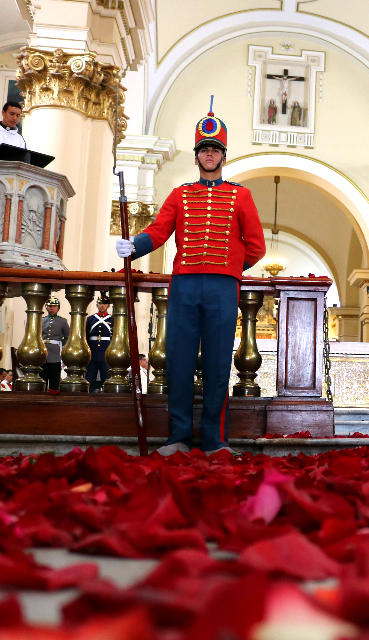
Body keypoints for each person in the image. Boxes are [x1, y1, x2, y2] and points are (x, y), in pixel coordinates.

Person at [116, 108, 266, 454]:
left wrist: (229, 267)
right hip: (183, 286)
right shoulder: (180, 195)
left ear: (223, 156)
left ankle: (215, 440)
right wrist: (133, 246)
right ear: (197, 155)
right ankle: (179, 438)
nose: (209, 155)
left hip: (223, 288)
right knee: (178, 361)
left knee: (217, 365)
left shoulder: (239, 196)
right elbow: (157, 232)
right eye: (203, 149)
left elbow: (255, 246)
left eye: (214, 150)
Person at [84, 297, 113, 392]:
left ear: (108, 305)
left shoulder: (113, 319)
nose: (102, 305)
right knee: (90, 376)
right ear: (97, 305)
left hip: (106, 351)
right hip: (93, 351)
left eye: (104, 304)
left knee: (106, 376)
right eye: (100, 303)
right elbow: (86, 336)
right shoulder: (90, 319)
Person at [39, 298, 66, 388]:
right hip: (43, 351)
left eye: (54, 306)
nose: (52, 308)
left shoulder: (62, 321)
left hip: (55, 352)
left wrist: (63, 351)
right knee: (42, 377)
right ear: (46, 307)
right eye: (50, 306)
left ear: (58, 308)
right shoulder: (41, 320)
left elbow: (67, 337)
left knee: (54, 378)